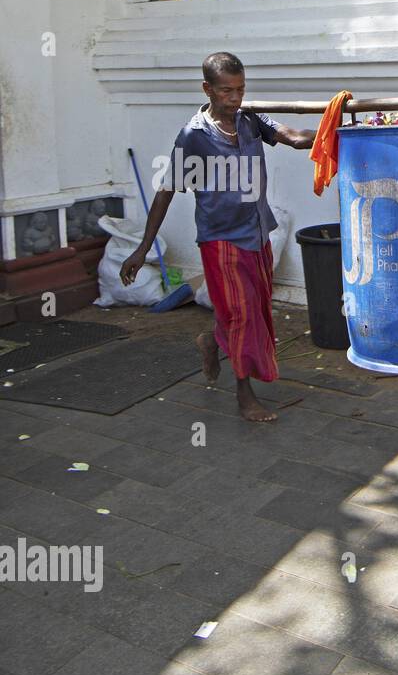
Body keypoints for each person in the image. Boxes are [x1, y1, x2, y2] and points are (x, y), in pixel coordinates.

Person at [121, 52, 316, 422]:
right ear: (207, 89)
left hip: (258, 231)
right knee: (241, 316)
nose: (236, 98)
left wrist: (332, 132)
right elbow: (167, 190)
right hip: (220, 240)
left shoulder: (250, 120)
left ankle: (212, 341)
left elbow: (290, 136)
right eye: (227, 91)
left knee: (253, 310)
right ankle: (245, 395)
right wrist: (143, 247)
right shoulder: (194, 136)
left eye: (241, 90)